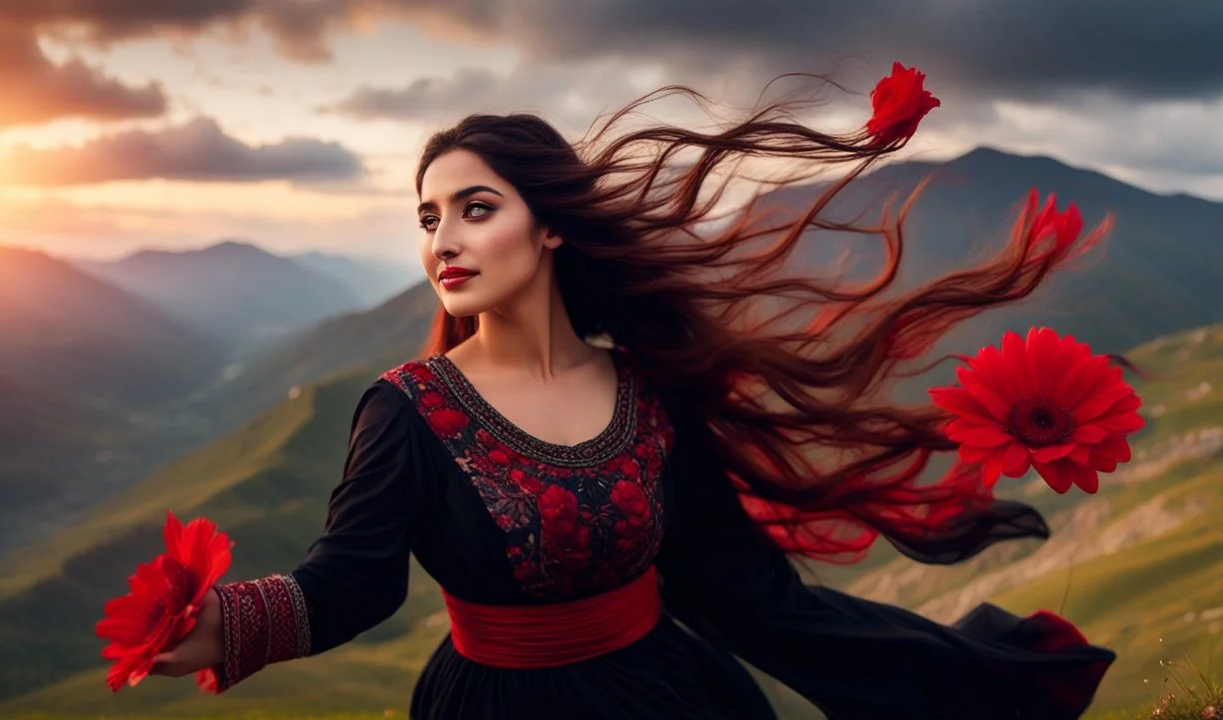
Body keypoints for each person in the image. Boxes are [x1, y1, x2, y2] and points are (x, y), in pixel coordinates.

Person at [149, 72, 1117, 719]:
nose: (441, 239)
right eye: (427, 217)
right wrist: (228, 624)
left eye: (474, 210)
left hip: (675, 694)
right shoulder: (405, 408)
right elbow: (353, 579)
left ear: (550, 229)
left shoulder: (646, 393)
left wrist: (980, 676)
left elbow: (750, 595)